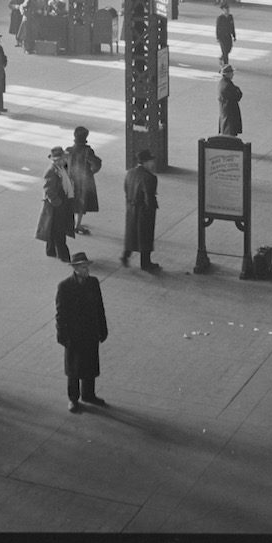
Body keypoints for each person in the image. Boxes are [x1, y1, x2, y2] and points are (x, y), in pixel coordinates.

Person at [56, 251, 109, 412]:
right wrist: (62, 336)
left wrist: (102, 329)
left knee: (90, 365)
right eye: (84, 267)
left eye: (87, 267)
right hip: (74, 335)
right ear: (75, 268)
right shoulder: (65, 287)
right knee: (74, 369)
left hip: (90, 332)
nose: (87, 270)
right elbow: (61, 313)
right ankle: (73, 399)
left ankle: (88, 394)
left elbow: (100, 307)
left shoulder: (93, 283)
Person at [121, 148, 160, 271]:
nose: (153, 163)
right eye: (151, 161)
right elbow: (149, 196)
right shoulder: (150, 177)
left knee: (131, 234)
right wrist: (151, 209)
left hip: (131, 208)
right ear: (145, 162)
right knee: (145, 236)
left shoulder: (130, 173)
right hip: (144, 210)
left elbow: (126, 189)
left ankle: (125, 256)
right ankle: (146, 263)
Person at [66, 126, 102, 237]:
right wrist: (91, 172)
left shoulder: (69, 150)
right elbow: (96, 163)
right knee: (81, 202)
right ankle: (77, 225)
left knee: (71, 201)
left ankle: (70, 223)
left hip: (70, 179)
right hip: (83, 180)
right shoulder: (87, 151)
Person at [42, 146, 75, 262]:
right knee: (59, 230)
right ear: (57, 160)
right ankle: (64, 255)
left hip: (62, 201)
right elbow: (48, 190)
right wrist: (58, 203)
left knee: (53, 229)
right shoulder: (51, 172)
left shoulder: (61, 168)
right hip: (57, 206)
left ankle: (50, 250)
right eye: (63, 158)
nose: (65, 159)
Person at [217, 64, 243, 137]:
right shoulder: (228, 86)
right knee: (230, 134)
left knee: (225, 131)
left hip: (225, 113)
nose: (233, 74)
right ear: (228, 74)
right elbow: (238, 96)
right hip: (230, 114)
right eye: (232, 73)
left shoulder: (222, 83)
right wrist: (238, 89)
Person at [215, 2, 237, 68]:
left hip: (228, 36)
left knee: (229, 49)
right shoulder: (220, 18)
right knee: (225, 51)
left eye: (228, 9)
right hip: (222, 37)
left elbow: (232, 26)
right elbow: (217, 28)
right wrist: (218, 37)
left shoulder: (230, 17)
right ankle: (226, 65)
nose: (227, 10)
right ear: (223, 10)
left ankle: (221, 58)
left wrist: (234, 35)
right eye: (226, 9)